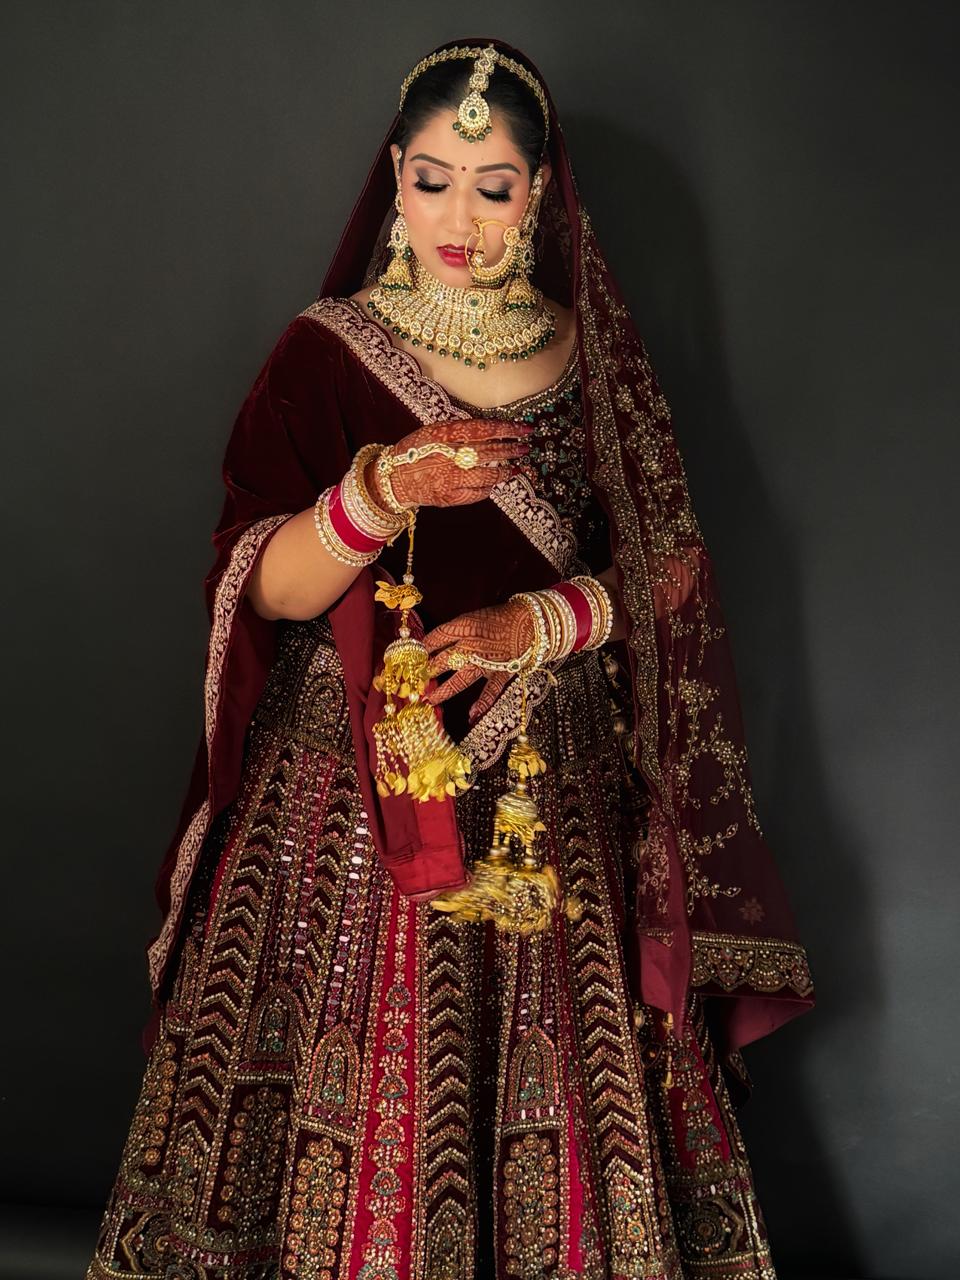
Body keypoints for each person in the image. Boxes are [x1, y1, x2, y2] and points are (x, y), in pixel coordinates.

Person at [86, 37, 814, 1280]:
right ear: (394, 177)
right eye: (431, 181)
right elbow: (259, 583)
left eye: (492, 185)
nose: (458, 219)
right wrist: (377, 493)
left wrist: (543, 623)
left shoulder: (590, 361)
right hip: (347, 776)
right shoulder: (327, 353)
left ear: (540, 194)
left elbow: (670, 576)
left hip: (546, 786)